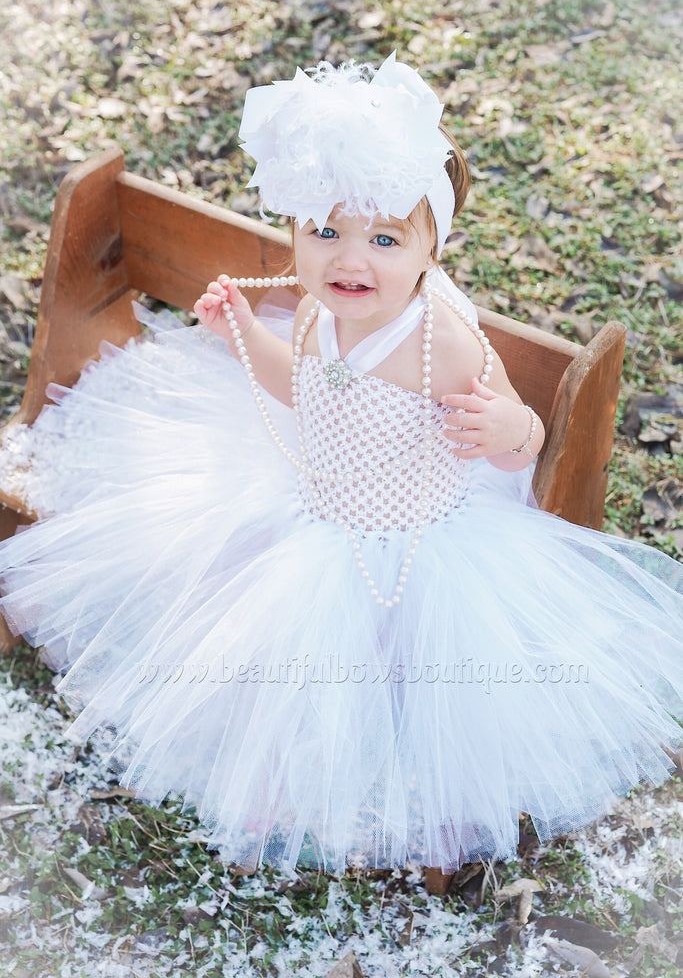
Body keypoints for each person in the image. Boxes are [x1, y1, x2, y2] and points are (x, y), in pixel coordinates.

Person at [0, 54, 681, 877]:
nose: (350, 259)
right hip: (316, 512)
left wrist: (515, 424)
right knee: (273, 667)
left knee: (411, 681)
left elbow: (513, 446)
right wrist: (242, 336)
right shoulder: (320, 310)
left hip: (415, 546)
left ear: (431, 248)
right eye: (325, 233)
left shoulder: (441, 342)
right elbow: (305, 389)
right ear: (295, 234)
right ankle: (275, 781)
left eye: (385, 239)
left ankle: (429, 797)